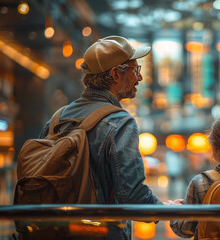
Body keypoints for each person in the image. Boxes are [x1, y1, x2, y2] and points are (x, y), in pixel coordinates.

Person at [39, 36, 178, 239]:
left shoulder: (57, 119)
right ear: (115, 74)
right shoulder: (120, 122)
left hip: (55, 231)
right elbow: (132, 195)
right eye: (135, 69)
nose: (139, 78)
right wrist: (163, 208)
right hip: (99, 233)